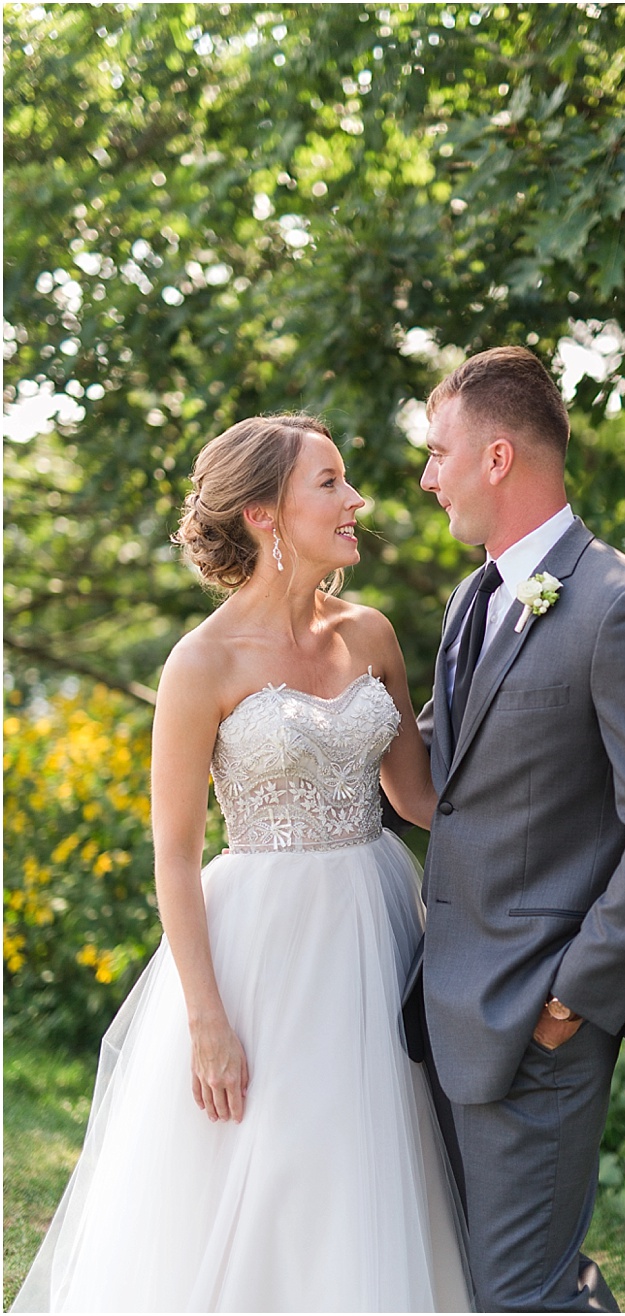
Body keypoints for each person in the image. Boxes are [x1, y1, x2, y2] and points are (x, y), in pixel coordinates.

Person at [14, 414, 470, 1311]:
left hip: (377, 921)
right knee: (271, 1168)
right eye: (330, 483)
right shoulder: (202, 663)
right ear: (265, 515)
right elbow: (176, 858)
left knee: (365, 1159)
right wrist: (207, 1022)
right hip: (263, 949)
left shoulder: (371, 635)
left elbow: (420, 800)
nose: (357, 501)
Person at [402, 346, 625, 1312]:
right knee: (487, 1284)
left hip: (536, 1020)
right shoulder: (475, 597)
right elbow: (439, 784)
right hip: (448, 1005)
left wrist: (573, 1001)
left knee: (523, 1296)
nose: (426, 477)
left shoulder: (623, 610)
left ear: (497, 458)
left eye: (439, 452)